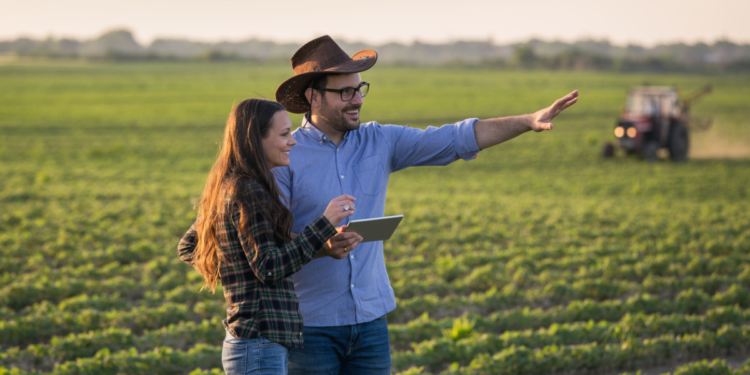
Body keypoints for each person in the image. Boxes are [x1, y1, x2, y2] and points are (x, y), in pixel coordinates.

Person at [273, 35, 579, 374]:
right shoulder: (285, 154)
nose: (357, 99)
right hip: (311, 326)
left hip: (371, 320)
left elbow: (453, 138)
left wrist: (526, 121)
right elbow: (274, 245)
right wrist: (321, 245)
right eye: (345, 92)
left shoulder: (380, 140)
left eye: (360, 89)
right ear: (313, 96)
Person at [177, 98, 362, 375]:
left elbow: (189, 246)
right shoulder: (250, 191)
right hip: (259, 343)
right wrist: (325, 222)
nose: (293, 142)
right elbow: (270, 267)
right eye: (284, 134)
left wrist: (237, 270)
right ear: (255, 140)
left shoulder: (230, 186)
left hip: (251, 342)